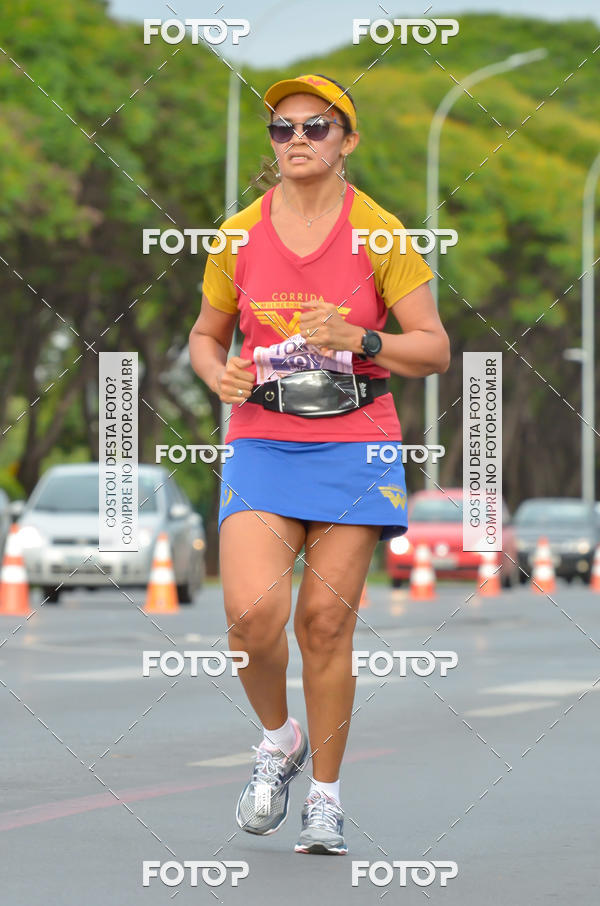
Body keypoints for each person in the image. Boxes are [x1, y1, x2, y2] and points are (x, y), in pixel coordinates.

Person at [189, 73, 450, 855]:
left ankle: (327, 800)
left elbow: (433, 349)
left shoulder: (382, 234)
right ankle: (279, 740)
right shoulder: (238, 235)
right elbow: (205, 335)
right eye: (283, 128)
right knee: (251, 616)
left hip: (356, 442)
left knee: (326, 624)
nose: (297, 139)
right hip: (263, 440)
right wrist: (218, 373)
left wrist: (359, 338)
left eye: (316, 127)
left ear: (348, 141)